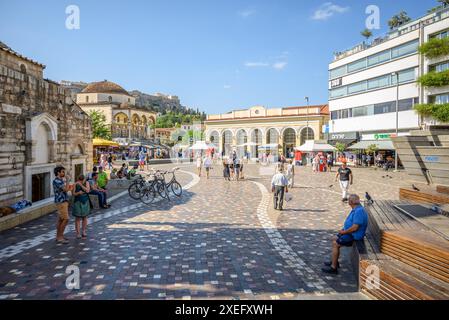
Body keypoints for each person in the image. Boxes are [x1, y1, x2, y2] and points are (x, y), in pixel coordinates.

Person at [322, 194, 368, 275]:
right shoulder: (356, 209)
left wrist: (343, 232)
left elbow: (355, 227)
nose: (348, 202)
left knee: (335, 243)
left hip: (354, 236)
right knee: (334, 239)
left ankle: (334, 267)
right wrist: (342, 231)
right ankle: (334, 260)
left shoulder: (359, 211)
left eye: (349, 201)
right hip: (350, 233)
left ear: (351, 202)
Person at [53, 166, 72, 244]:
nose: (64, 173)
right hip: (61, 202)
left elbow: (65, 190)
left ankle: (59, 236)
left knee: (61, 219)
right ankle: (60, 237)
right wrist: (67, 181)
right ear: (58, 173)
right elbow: (66, 189)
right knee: (66, 219)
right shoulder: (57, 181)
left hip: (63, 201)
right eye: (62, 172)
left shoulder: (60, 180)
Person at [72, 174, 91, 239]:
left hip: (85, 201)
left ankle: (83, 231)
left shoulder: (87, 183)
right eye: (79, 181)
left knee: (84, 217)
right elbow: (73, 194)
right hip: (77, 201)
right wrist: (78, 193)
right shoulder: (75, 184)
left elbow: (87, 190)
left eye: (81, 181)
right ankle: (78, 233)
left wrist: (80, 185)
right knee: (77, 218)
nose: (80, 181)